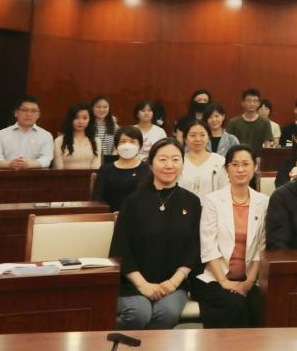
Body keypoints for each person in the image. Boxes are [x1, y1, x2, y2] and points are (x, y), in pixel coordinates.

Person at [109, 138, 200, 329]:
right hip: (133, 283)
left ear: (182, 164)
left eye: (175, 159)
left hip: (174, 284)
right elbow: (120, 248)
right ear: (150, 164)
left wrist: (173, 282)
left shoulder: (191, 201)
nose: (169, 165)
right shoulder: (133, 202)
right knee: (139, 313)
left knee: (167, 313)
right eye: (162, 159)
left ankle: (145, 349)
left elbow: (194, 248)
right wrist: (143, 285)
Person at [195, 145, 266, 328]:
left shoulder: (264, 202)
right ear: (226, 169)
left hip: (250, 278)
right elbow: (208, 246)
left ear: (255, 167)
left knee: (260, 304)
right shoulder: (213, 200)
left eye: (245, 164)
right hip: (215, 278)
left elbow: (262, 248)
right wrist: (225, 282)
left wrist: (249, 282)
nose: (240, 169)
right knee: (236, 304)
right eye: (234, 164)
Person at [0, 95, 53, 169]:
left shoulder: (46, 135)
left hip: (35, 174)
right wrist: (9, 164)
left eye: (33, 111)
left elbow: (46, 159)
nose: (29, 114)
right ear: (16, 113)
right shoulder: (1, 134)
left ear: (38, 115)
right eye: (24, 110)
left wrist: (28, 165)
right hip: (6, 173)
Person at [92, 127, 148, 210]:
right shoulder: (105, 170)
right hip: (111, 215)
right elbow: (97, 200)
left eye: (132, 141)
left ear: (140, 146)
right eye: (123, 141)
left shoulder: (147, 169)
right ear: (116, 146)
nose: (127, 146)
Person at [181, 119, 229, 197]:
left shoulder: (220, 161)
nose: (198, 139)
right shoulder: (178, 161)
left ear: (208, 138)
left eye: (202, 135)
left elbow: (225, 189)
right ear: (185, 139)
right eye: (193, 135)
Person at [54, 102, 101, 169]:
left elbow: (96, 167)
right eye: (76, 118)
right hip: (65, 176)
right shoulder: (59, 141)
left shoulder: (96, 141)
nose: (80, 121)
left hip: (90, 176)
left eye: (85, 118)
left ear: (90, 120)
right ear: (70, 119)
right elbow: (59, 168)